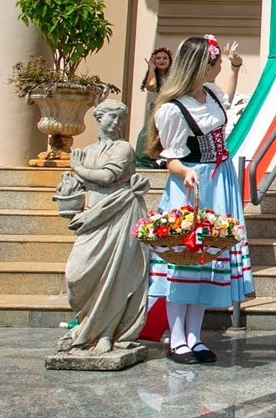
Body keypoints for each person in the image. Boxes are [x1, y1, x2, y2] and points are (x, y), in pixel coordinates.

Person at [146, 35, 253, 365]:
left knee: (206, 260)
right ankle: (176, 337)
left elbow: (226, 101)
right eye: (216, 62)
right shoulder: (173, 109)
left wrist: (235, 68)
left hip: (219, 181)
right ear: (199, 66)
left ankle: (195, 336)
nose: (219, 66)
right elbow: (169, 156)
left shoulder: (210, 95)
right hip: (192, 186)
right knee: (184, 260)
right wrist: (184, 173)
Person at [59, 100, 151, 354]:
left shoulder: (123, 148)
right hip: (93, 219)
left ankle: (107, 333)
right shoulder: (87, 151)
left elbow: (108, 177)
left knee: (117, 277)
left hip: (120, 214)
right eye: (111, 117)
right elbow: (79, 187)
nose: (116, 123)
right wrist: (68, 188)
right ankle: (87, 325)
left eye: (120, 119)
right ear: (99, 118)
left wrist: (77, 167)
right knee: (77, 274)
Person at [135, 46, 173, 168]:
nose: (161, 61)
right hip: (160, 110)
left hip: (173, 110)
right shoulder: (154, 76)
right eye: (158, 58)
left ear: (169, 61)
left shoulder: (174, 76)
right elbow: (151, 86)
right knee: (146, 135)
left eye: (165, 58)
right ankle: (146, 162)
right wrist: (151, 68)